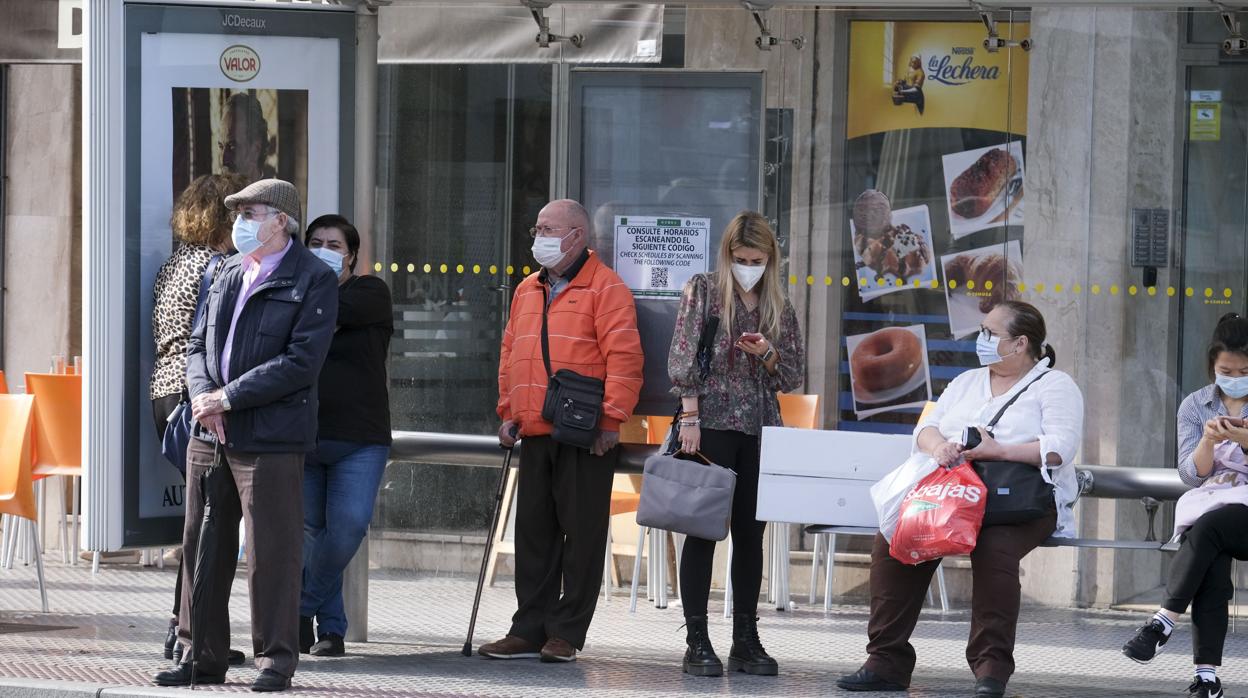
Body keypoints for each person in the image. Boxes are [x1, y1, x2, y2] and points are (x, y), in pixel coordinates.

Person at [837, 301, 1084, 697]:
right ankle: (886, 661)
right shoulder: (966, 382)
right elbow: (925, 428)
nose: (980, 340)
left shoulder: (1056, 386)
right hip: (951, 492)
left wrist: (997, 450)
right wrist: (938, 448)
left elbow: (1060, 448)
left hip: (1015, 502)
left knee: (994, 549)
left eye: (990, 333)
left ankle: (991, 669)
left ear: (1020, 343)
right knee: (896, 540)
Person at [153, 179, 337, 693]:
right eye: (238, 213)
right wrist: (202, 395)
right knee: (199, 542)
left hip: (271, 435)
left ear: (281, 220)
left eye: (250, 212)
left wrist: (228, 398)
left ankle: (276, 660)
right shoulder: (227, 268)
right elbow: (195, 343)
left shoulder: (312, 278)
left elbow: (302, 362)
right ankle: (198, 653)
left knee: (270, 551)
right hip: (209, 430)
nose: (239, 222)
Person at [479, 199, 644, 663]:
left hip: (584, 433)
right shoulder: (528, 289)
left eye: (548, 228)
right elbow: (512, 353)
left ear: (576, 235)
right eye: (537, 227)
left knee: (583, 535)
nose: (539, 236)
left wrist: (612, 418)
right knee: (534, 534)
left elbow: (625, 359)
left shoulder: (606, 288)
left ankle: (566, 632)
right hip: (533, 429)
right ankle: (528, 627)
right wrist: (508, 410)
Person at [666, 211, 805, 677]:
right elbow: (682, 357)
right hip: (711, 424)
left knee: (751, 535)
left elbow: (791, 375)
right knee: (703, 530)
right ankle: (696, 638)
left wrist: (766, 352)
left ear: (771, 258)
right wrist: (690, 416)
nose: (750, 266)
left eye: (758, 259)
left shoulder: (778, 303)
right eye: (742, 258)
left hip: (761, 425)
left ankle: (746, 637)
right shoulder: (704, 290)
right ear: (727, 255)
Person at [1121, 313, 1248, 698]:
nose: (1235, 376)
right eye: (1226, 369)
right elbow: (1192, 476)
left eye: (1244, 370)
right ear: (1212, 364)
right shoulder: (1196, 405)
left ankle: (1162, 622)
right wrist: (1209, 441)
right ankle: (1206, 678)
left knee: (1207, 529)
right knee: (1210, 559)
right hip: (1217, 508)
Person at [149, 172, 247, 667]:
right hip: (198, 401)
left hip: (165, 397)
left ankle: (184, 628)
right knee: (211, 523)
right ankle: (194, 631)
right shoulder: (221, 266)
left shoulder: (174, 264)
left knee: (199, 521)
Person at [298, 215, 393, 657]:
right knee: (314, 533)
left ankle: (299, 608)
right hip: (304, 436)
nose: (324, 249)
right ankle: (331, 630)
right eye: (315, 242)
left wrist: (305, 303)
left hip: (359, 438)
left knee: (348, 527)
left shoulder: (370, 292)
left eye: (334, 245)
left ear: (351, 254)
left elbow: (328, 311)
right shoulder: (299, 291)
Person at [220, 92, 275, 183]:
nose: (224, 160)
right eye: (221, 147)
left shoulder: (271, 195)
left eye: (233, 146)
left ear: (256, 149)